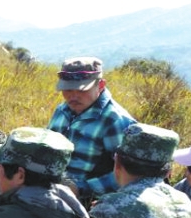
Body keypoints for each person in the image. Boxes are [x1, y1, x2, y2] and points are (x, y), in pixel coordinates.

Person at [47, 56, 136, 203]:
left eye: (82, 89)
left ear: (100, 85)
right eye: (67, 89)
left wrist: (81, 189)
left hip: (86, 202)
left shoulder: (115, 121)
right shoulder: (62, 110)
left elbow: (129, 174)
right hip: (50, 189)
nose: (73, 95)